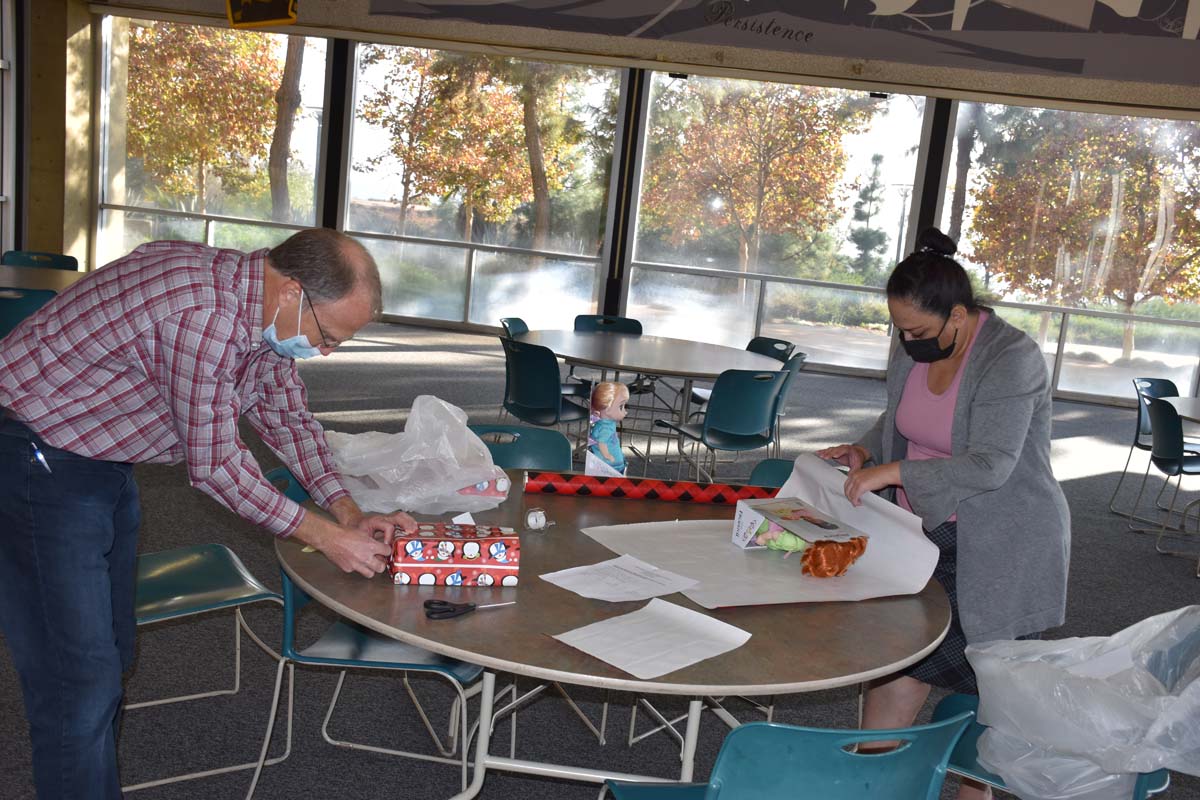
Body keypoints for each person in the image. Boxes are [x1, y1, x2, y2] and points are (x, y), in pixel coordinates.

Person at [0, 228, 416, 800]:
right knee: (77, 677)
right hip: (34, 456)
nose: (326, 354)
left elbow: (286, 415)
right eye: (330, 337)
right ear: (293, 291)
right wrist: (325, 538)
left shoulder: (262, 313)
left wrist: (345, 511)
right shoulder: (203, 314)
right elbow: (217, 465)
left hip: (99, 452)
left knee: (111, 652)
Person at [817, 227, 1070, 800]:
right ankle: (868, 784)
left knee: (988, 684)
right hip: (921, 532)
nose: (908, 340)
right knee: (895, 661)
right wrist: (867, 451)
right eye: (900, 328)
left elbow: (991, 465)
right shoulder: (914, 346)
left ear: (959, 315)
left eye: (919, 330)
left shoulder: (1012, 357)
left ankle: (968, 792)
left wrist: (896, 474)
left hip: (1000, 540)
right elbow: (899, 422)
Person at [588, 380, 629, 474]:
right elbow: (601, 442)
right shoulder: (605, 427)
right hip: (610, 467)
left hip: (611, 465)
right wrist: (607, 455)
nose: (625, 411)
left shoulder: (607, 423)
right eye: (621, 406)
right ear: (607, 409)